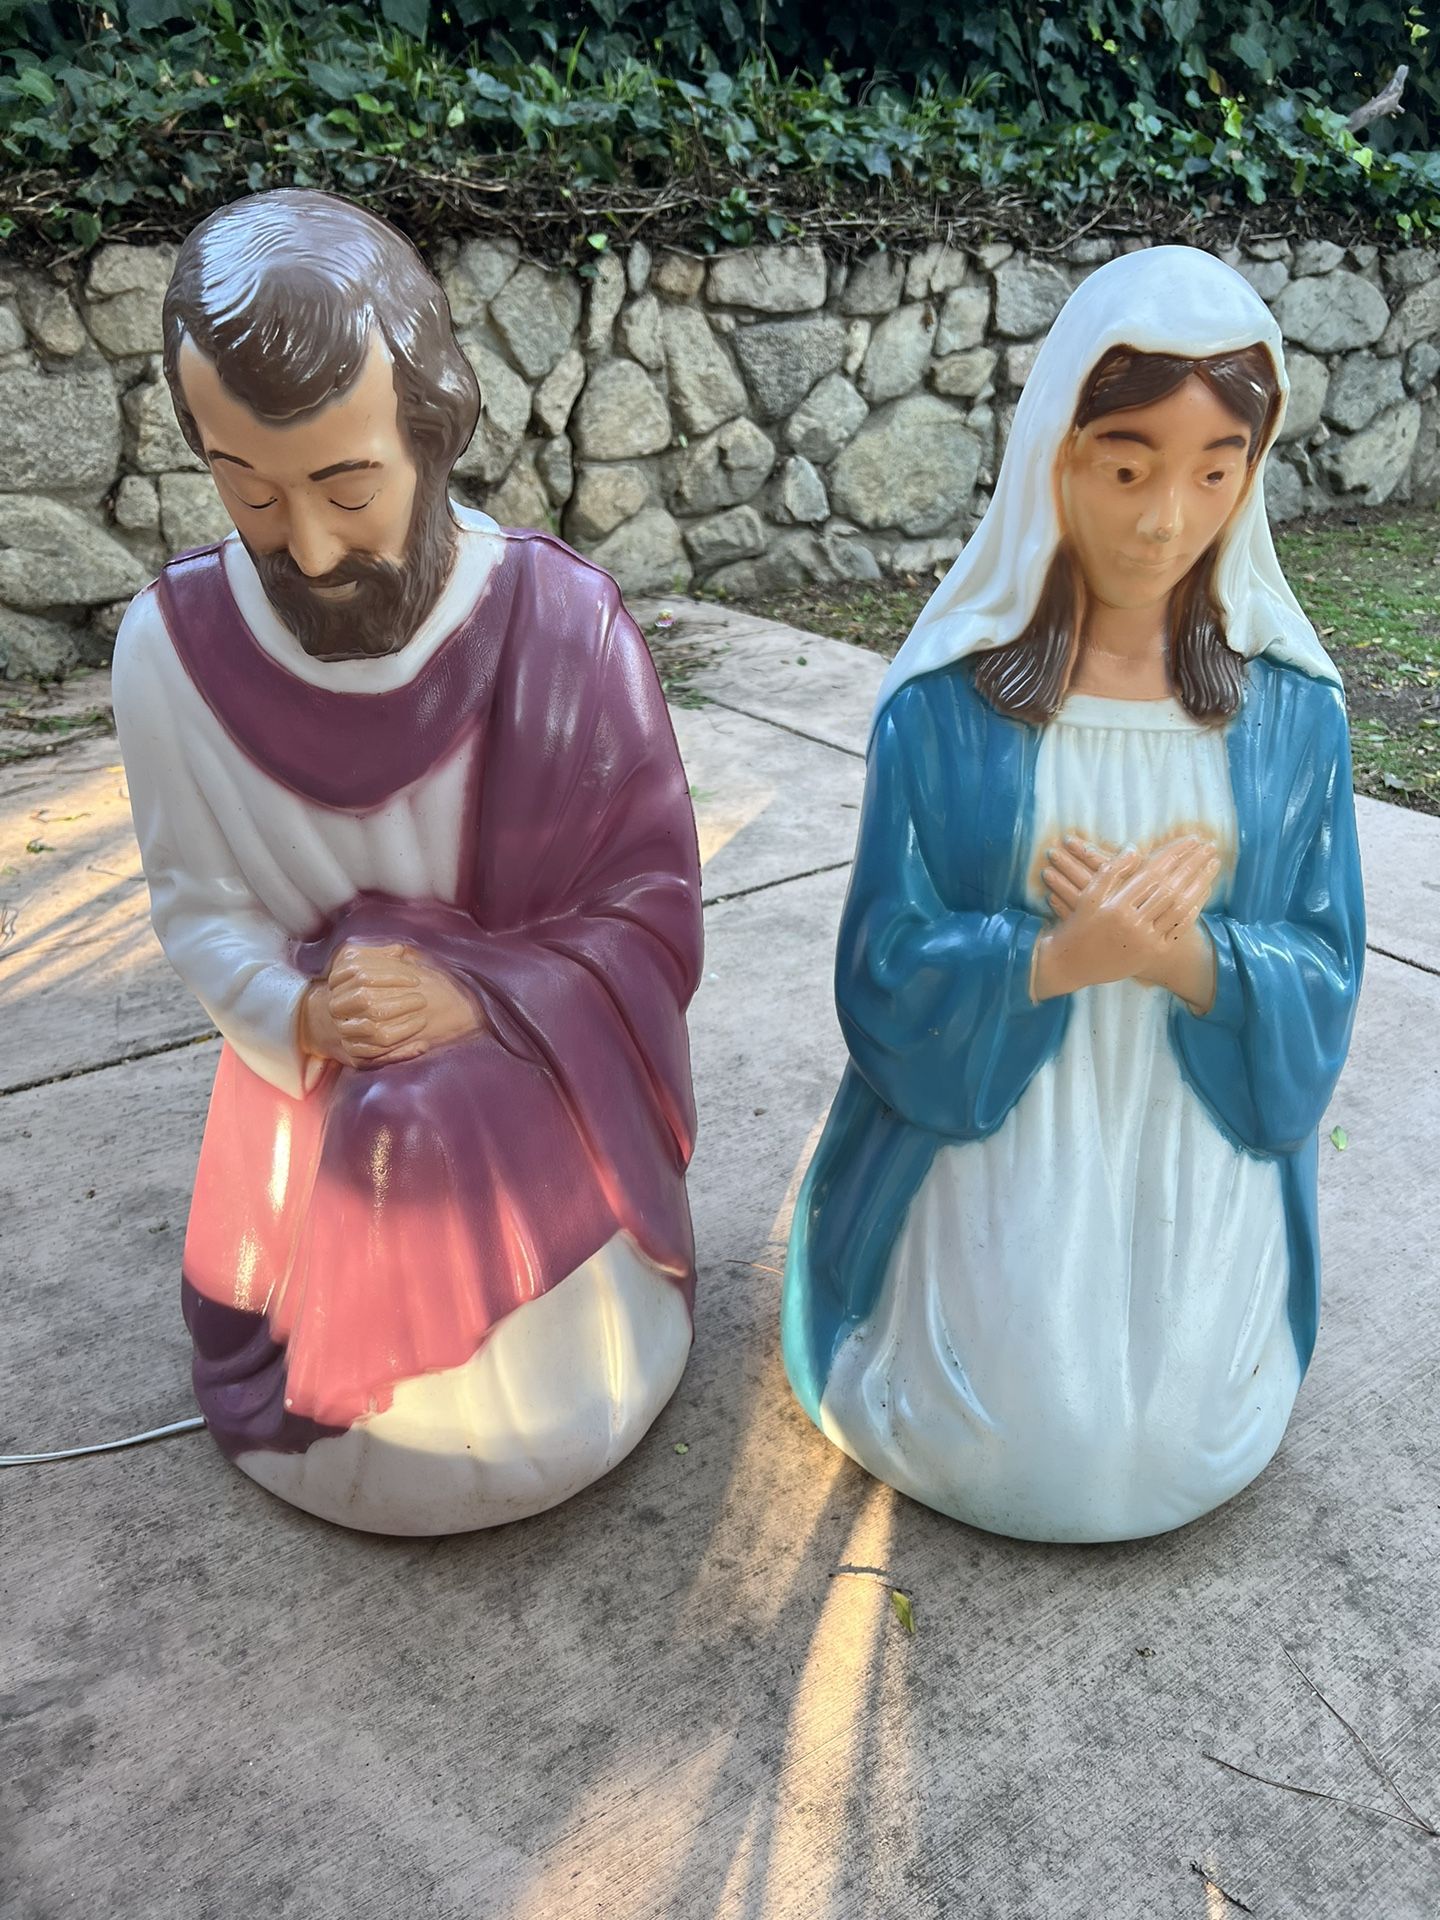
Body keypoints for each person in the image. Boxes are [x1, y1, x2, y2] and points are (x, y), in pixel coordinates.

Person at [112, 190, 702, 1535]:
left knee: (413, 1128)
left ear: (430, 432)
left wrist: (480, 994)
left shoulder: (566, 628)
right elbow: (200, 906)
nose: (309, 545)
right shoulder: (169, 655)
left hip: (530, 1088)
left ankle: (536, 1375)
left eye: (347, 485)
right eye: (249, 490)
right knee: (377, 1126)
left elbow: (652, 913)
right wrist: (301, 1014)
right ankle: (338, 1392)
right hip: (307, 1108)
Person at [782, 246, 1365, 1544]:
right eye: (1128, 468)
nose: (1166, 519)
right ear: (1057, 458)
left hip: (1193, 1141)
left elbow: (1327, 969)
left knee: (1168, 1446)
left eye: (1215, 472)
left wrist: (1186, 961)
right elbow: (881, 966)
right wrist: (1053, 957)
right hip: (1001, 1135)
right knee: (1031, 1441)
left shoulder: (1293, 718)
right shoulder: (942, 711)